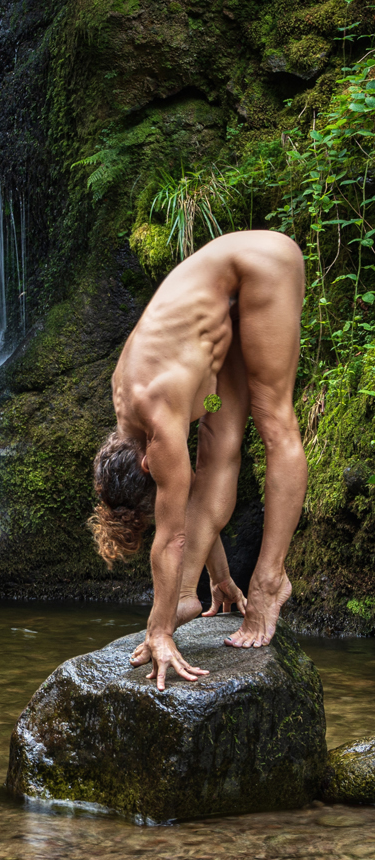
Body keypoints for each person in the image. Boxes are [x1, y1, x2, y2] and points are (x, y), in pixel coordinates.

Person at [87, 228, 308, 689]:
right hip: (217, 338)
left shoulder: (157, 419)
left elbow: (173, 538)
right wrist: (220, 577)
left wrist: (159, 630)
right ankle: (191, 595)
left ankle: (270, 583)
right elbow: (185, 511)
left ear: (147, 463)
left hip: (258, 265)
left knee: (274, 422)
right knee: (216, 453)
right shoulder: (128, 415)